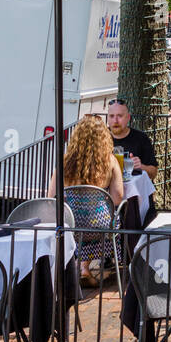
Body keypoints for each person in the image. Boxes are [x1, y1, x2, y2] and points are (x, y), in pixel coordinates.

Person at [49, 114, 123, 286]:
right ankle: (84, 269)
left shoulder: (64, 161)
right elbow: (118, 197)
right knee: (110, 219)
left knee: (80, 226)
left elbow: (51, 196)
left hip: (71, 225)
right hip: (101, 225)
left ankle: (78, 268)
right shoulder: (109, 161)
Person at [107, 99, 158, 180]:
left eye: (120, 116)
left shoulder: (141, 138)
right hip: (107, 191)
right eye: (111, 116)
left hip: (135, 191)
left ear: (128, 118)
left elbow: (153, 173)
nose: (115, 121)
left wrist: (141, 166)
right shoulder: (100, 138)